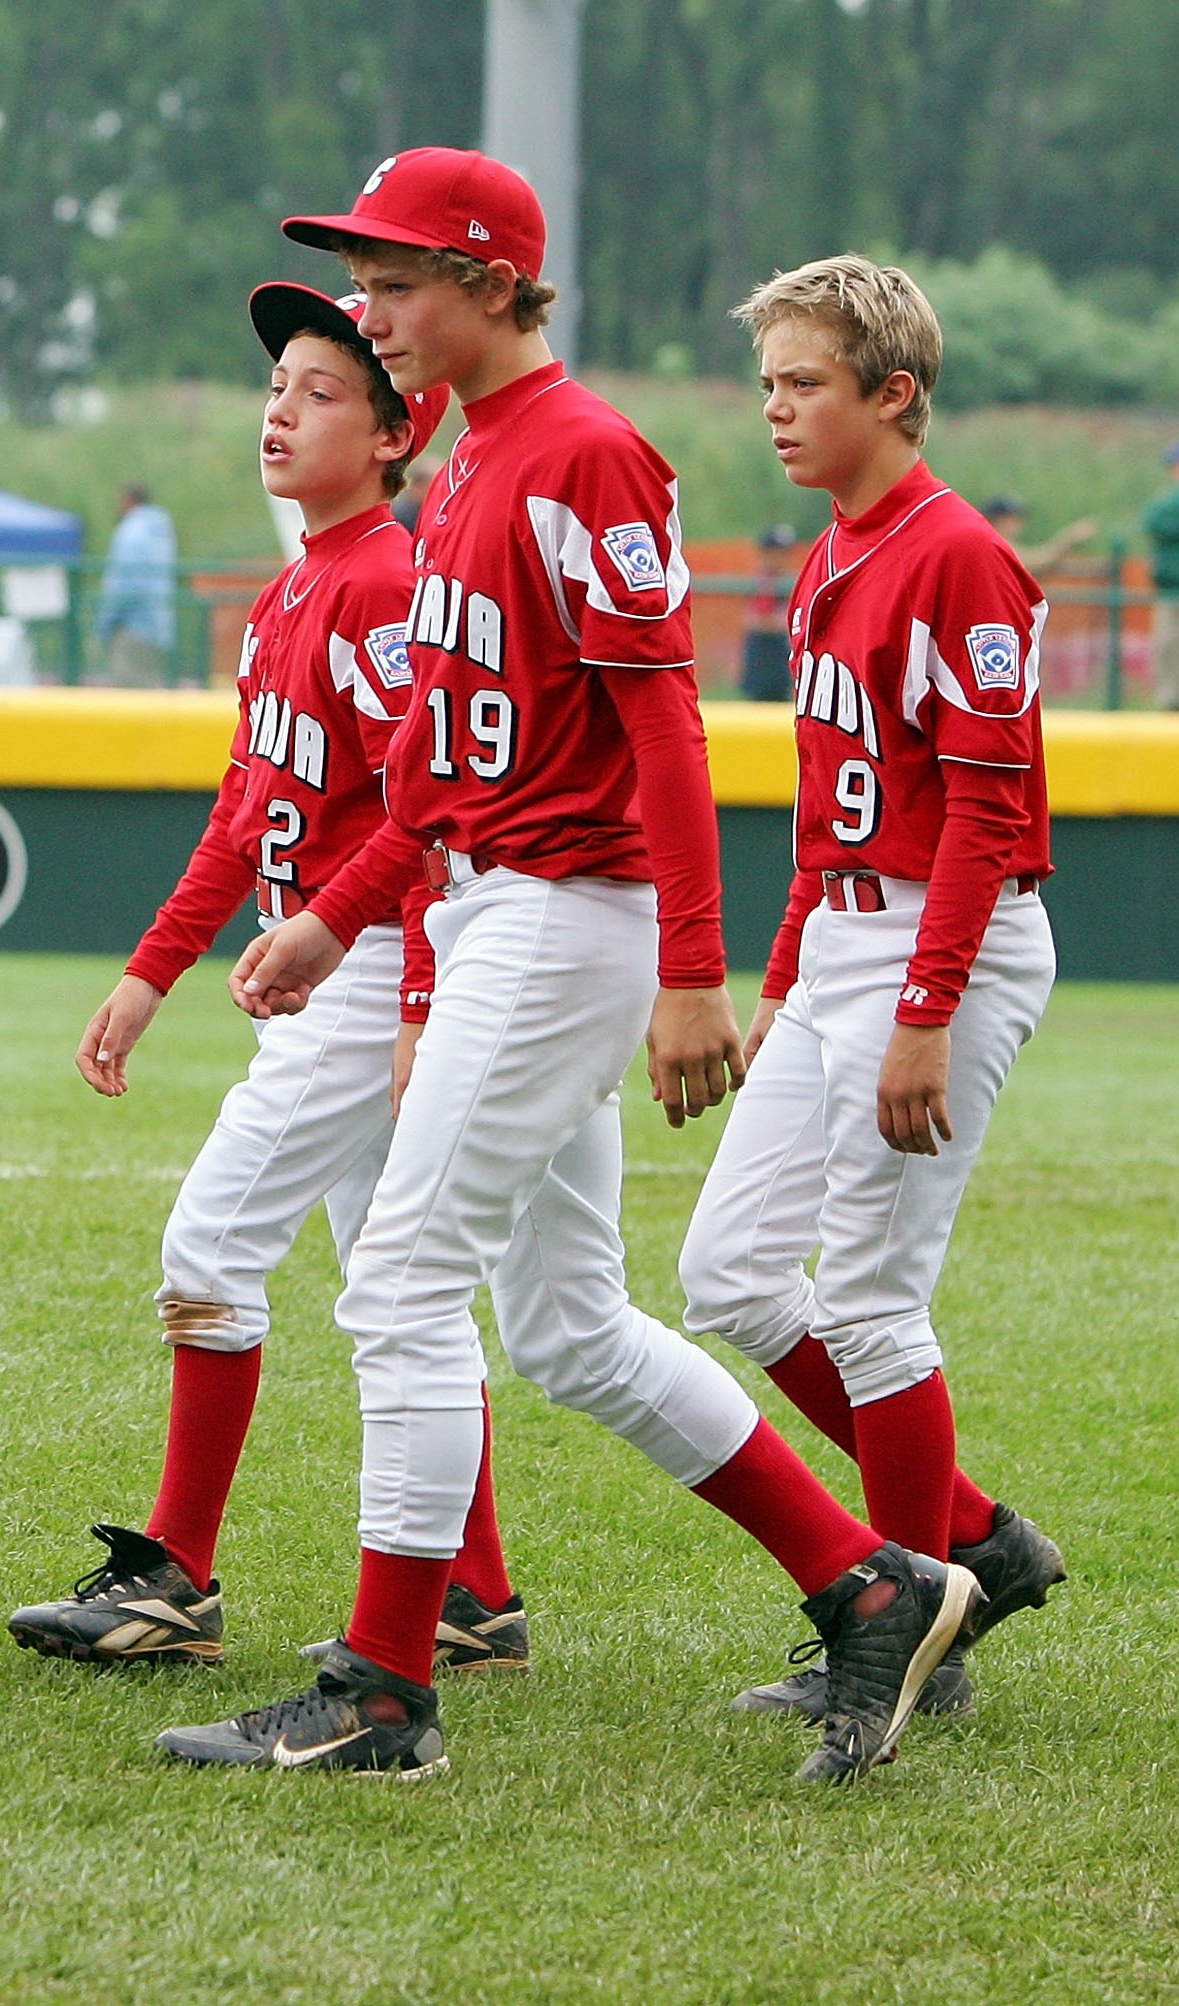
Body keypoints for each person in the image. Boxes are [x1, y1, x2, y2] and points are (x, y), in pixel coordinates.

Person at [160, 149, 975, 1786]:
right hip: (486, 902)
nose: (374, 310)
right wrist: (342, 914)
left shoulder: (584, 451)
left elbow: (660, 719)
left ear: (486, 279)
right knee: (567, 1324)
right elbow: (455, 766)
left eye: (394, 280)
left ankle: (388, 1686)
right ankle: (871, 1585)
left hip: (561, 912)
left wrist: (693, 965)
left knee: (397, 1278)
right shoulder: (470, 461)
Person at [9, 283, 532, 1675]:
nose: (280, 411)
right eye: (276, 387)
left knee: (210, 1247)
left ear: (394, 433)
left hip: (362, 968)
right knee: (390, 1276)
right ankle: (474, 1596)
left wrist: (417, 998)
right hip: (328, 960)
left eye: (320, 391)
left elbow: (427, 821)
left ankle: (178, 1573)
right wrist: (147, 974)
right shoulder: (297, 581)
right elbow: (245, 812)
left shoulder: (385, 582)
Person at [680, 253, 1066, 1725]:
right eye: (768, 381)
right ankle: (968, 1546)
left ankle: (914, 1628)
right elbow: (828, 793)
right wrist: (787, 974)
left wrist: (922, 1007)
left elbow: (984, 808)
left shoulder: (959, 551)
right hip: (845, 937)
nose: (775, 410)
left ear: (893, 393)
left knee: (874, 1301)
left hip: (938, 941)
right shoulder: (832, 545)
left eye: (806, 383)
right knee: (727, 1269)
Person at [94, 482, 176, 685]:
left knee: (128, 692)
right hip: (158, 623)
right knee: (149, 686)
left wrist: (105, 622)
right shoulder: (161, 531)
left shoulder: (131, 532)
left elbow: (123, 583)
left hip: (132, 626)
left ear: (127, 501)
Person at [741, 524, 798, 702]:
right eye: (777, 551)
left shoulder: (786, 581)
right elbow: (758, 620)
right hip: (762, 659)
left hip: (780, 659)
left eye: (784, 552)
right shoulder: (762, 581)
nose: (781, 558)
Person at [1144, 444, 1179, 708]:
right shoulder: (1166, 501)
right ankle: (1169, 702)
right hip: (1169, 589)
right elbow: (1152, 521)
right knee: (1168, 648)